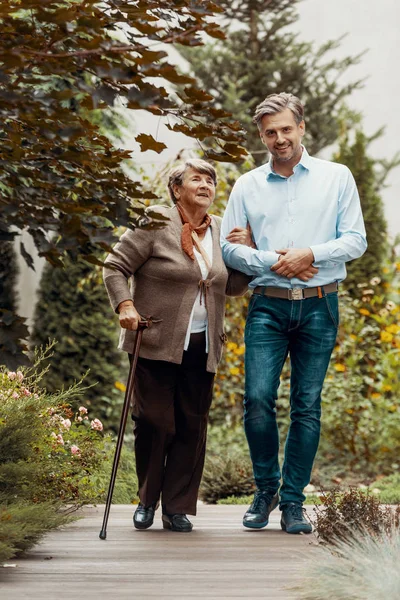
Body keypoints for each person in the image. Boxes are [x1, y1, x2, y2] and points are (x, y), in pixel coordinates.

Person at [221, 93, 367, 534]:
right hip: (267, 306)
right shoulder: (247, 185)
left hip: (321, 305)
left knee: (306, 405)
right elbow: (228, 247)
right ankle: (265, 490)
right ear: (262, 136)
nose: (279, 138)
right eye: (270, 132)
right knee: (258, 401)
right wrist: (274, 261)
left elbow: (355, 240)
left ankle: (293, 502)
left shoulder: (336, 177)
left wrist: (310, 254)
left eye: (286, 129)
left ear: (301, 127)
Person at [103, 159, 251, 533]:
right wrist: (125, 305)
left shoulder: (219, 230)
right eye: (196, 179)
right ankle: (147, 501)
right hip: (154, 340)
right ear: (176, 189)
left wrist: (246, 257)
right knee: (154, 421)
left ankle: (178, 507)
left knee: (192, 424)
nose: (205, 185)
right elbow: (115, 266)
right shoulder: (155, 221)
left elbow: (230, 287)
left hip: (203, 345)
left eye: (210, 180)